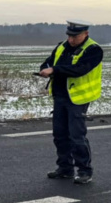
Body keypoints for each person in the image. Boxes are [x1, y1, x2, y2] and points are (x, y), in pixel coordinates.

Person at [39, 21, 104, 184]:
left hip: (78, 98)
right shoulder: (62, 46)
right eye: (69, 35)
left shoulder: (93, 50)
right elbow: (49, 61)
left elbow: (80, 70)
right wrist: (45, 68)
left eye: (75, 36)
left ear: (86, 34)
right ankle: (65, 168)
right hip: (60, 96)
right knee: (60, 134)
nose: (71, 39)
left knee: (77, 136)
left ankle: (84, 171)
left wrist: (55, 70)